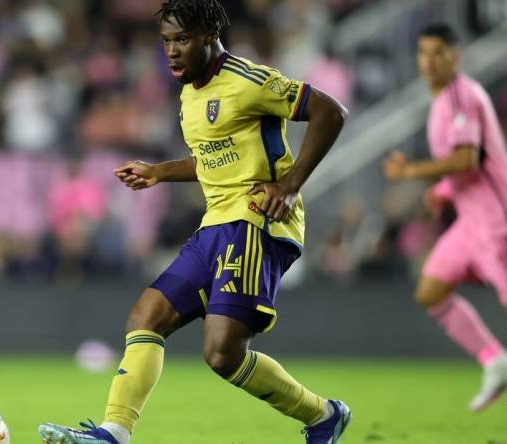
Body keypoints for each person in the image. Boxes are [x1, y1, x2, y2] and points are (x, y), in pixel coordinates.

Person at [39, 1, 351, 443]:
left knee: (222, 353)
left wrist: (291, 185)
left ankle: (324, 415)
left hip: (256, 222)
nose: (171, 51)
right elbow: (211, 157)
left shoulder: (249, 80)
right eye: (166, 41)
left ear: (209, 36)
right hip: (216, 224)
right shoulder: (190, 93)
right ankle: (114, 433)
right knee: (145, 317)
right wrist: (160, 172)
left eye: (181, 40)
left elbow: (331, 112)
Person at [383, 23, 507, 412]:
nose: (430, 61)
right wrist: (443, 191)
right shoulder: (442, 102)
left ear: (456, 56)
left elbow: (467, 159)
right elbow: (468, 167)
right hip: (471, 223)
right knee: (430, 291)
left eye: (439, 52)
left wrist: (411, 173)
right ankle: (495, 360)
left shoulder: (460, 96)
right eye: (423, 52)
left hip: (496, 221)